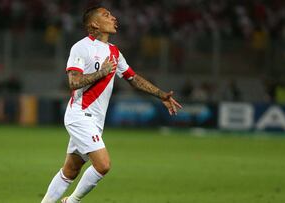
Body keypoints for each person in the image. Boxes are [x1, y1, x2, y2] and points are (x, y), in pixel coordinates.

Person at [41, 5, 182, 203]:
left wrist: (161, 95)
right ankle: (71, 201)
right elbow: (73, 82)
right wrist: (102, 71)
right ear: (94, 24)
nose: (114, 18)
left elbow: (133, 78)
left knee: (70, 171)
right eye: (107, 15)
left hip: (95, 121)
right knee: (103, 165)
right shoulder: (81, 47)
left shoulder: (114, 52)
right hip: (80, 115)